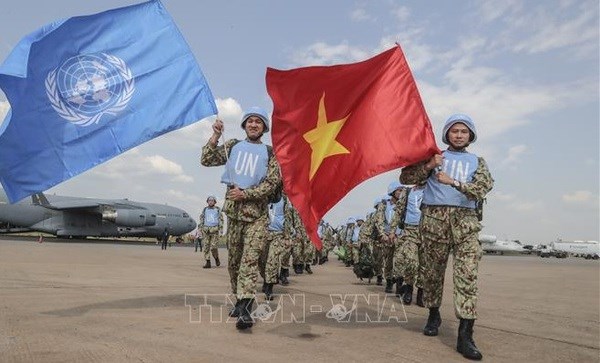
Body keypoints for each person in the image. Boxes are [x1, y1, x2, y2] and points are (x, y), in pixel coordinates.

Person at [400, 113, 493, 360]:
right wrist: (430, 166)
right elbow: (406, 178)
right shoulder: (433, 157)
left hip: (465, 225)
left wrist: (454, 182)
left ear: (470, 135)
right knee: (432, 273)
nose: (459, 135)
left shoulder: (478, 162)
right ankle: (433, 314)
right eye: (455, 131)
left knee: (467, 276)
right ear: (447, 134)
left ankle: (465, 335)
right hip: (433, 224)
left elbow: (482, 188)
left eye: (464, 131)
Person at [200, 107, 282, 330]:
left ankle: (246, 309)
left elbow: (272, 183)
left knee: (249, 262)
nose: (254, 124)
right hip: (234, 215)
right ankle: (239, 299)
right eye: (250, 121)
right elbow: (206, 159)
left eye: (258, 122)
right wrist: (216, 135)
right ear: (244, 125)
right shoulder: (233, 145)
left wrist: (247, 194)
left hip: (257, 217)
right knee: (234, 263)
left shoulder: (270, 153)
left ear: (264, 127)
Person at [392, 183, 425, 306]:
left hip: (427, 230)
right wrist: (392, 231)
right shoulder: (408, 191)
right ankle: (409, 288)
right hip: (410, 229)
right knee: (411, 261)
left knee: (424, 264)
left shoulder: (432, 187)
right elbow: (399, 210)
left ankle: (421, 293)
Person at [199, 196, 223, 268]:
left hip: (214, 231)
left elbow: (221, 220)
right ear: (207, 201)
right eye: (209, 200)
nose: (210, 201)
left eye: (212, 200)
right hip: (206, 230)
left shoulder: (217, 210)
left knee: (213, 247)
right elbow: (202, 219)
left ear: (215, 202)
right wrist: (200, 228)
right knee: (206, 247)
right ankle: (208, 262)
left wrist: (221, 230)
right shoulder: (205, 209)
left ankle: (216, 258)